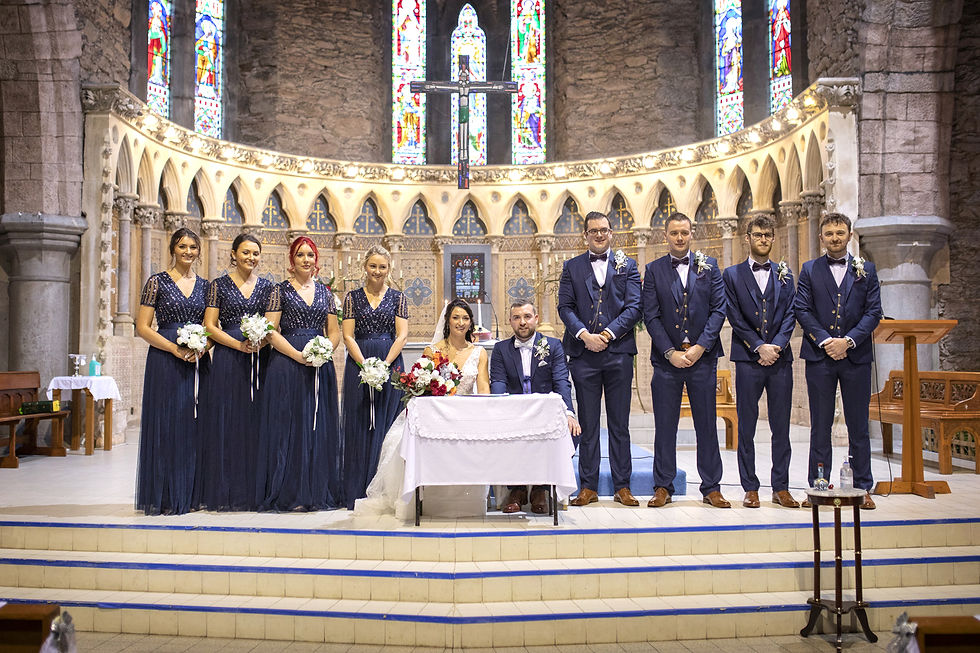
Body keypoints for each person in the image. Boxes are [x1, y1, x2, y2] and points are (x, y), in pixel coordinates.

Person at [353, 298, 489, 519]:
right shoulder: (432, 350)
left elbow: (483, 387)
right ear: (448, 321)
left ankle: (467, 502)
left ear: (471, 322)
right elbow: (422, 387)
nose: (460, 322)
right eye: (456, 317)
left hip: (465, 415)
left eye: (465, 318)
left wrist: (484, 415)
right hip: (437, 415)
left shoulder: (479, 352)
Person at [643, 213, 730, 509]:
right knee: (665, 426)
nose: (679, 238)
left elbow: (719, 309)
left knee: (706, 424)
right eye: (674, 233)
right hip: (666, 361)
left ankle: (711, 487)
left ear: (692, 234)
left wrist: (700, 347)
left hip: (703, 361)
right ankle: (663, 486)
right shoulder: (653, 270)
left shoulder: (710, 266)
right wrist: (670, 352)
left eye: (684, 232)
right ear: (665, 235)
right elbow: (650, 315)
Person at [795, 213, 882, 510]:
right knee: (820, 425)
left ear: (849, 235)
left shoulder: (866, 270)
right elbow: (802, 310)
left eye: (840, 232)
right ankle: (818, 487)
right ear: (821, 238)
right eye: (829, 233)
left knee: (858, 426)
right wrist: (826, 341)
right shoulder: (809, 270)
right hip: (820, 357)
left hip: (855, 357)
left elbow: (873, 312)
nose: (835, 237)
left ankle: (862, 487)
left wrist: (849, 341)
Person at [557, 211, 642, 507]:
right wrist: (583, 334)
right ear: (585, 234)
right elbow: (565, 306)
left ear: (611, 233)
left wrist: (606, 335)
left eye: (604, 230)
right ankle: (588, 486)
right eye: (593, 231)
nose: (599, 235)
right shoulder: (572, 267)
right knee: (588, 424)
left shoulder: (628, 265)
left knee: (620, 423)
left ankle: (622, 486)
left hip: (618, 354)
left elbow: (634, 307)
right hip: (583, 356)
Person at [257, 236, 344, 512]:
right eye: (300, 255)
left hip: (319, 366)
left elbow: (334, 332)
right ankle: (288, 491)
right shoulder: (278, 291)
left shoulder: (326, 293)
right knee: (288, 426)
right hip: (286, 363)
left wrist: (323, 351)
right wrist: (297, 356)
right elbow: (271, 331)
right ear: (291, 261)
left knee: (317, 426)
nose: (306, 260)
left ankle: (316, 490)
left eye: (310, 255)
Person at [722, 215, 799, 509]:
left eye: (767, 235)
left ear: (774, 237)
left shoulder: (786, 274)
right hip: (747, 358)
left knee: (781, 427)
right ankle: (750, 487)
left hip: (780, 359)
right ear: (747, 238)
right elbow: (734, 316)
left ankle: (781, 487)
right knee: (748, 426)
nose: (763, 239)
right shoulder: (731, 274)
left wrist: (776, 346)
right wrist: (757, 346)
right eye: (757, 235)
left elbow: (792, 313)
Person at [135, 227, 210, 515]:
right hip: (165, 360)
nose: (188, 252)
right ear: (172, 249)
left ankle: (192, 494)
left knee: (195, 426)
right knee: (166, 424)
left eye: (193, 247)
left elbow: (210, 325)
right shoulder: (157, 282)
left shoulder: (206, 286)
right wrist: (174, 349)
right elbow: (142, 327)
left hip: (198, 362)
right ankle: (165, 495)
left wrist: (203, 346)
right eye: (182, 246)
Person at [196, 233, 274, 511]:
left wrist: (260, 341)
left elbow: (273, 323)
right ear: (233, 254)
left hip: (260, 359)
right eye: (245, 252)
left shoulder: (268, 287)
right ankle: (226, 489)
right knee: (228, 422)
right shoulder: (219, 285)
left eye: (255, 253)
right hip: (229, 359)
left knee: (257, 422)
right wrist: (238, 346)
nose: (251, 258)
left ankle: (256, 490)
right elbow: (210, 325)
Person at [490, 301, 581, 514]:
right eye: (517, 318)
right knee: (504, 434)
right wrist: (498, 414)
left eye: (527, 317)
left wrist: (568, 412)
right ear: (510, 321)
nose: (522, 322)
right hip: (514, 414)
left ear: (536, 318)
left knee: (571, 431)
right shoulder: (501, 349)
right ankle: (517, 489)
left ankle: (541, 488)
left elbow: (561, 381)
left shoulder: (554, 345)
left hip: (544, 414)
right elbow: (498, 384)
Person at [342, 245, 409, 510]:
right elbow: (348, 335)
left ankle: (385, 490)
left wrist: (384, 365)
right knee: (360, 425)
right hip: (359, 362)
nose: (377, 272)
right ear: (365, 267)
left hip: (390, 363)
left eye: (382, 267)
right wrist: (365, 365)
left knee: (386, 425)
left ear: (388, 268)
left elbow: (402, 335)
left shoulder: (398, 297)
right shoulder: (352, 297)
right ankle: (356, 488)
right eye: (373, 266)